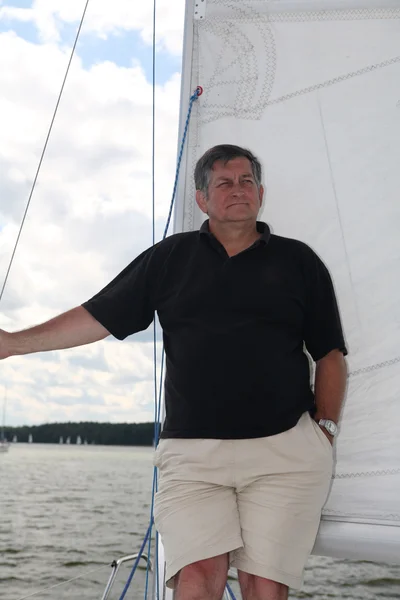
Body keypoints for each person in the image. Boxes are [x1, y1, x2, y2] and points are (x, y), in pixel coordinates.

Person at [0, 144, 347, 600]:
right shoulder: (169, 259)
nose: (238, 190)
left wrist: (324, 429)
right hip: (192, 455)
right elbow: (97, 317)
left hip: (284, 453)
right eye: (224, 183)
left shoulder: (300, 262)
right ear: (202, 199)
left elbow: (330, 357)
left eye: (246, 182)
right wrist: (10, 344)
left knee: (264, 586)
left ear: (261, 193)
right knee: (198, 574)